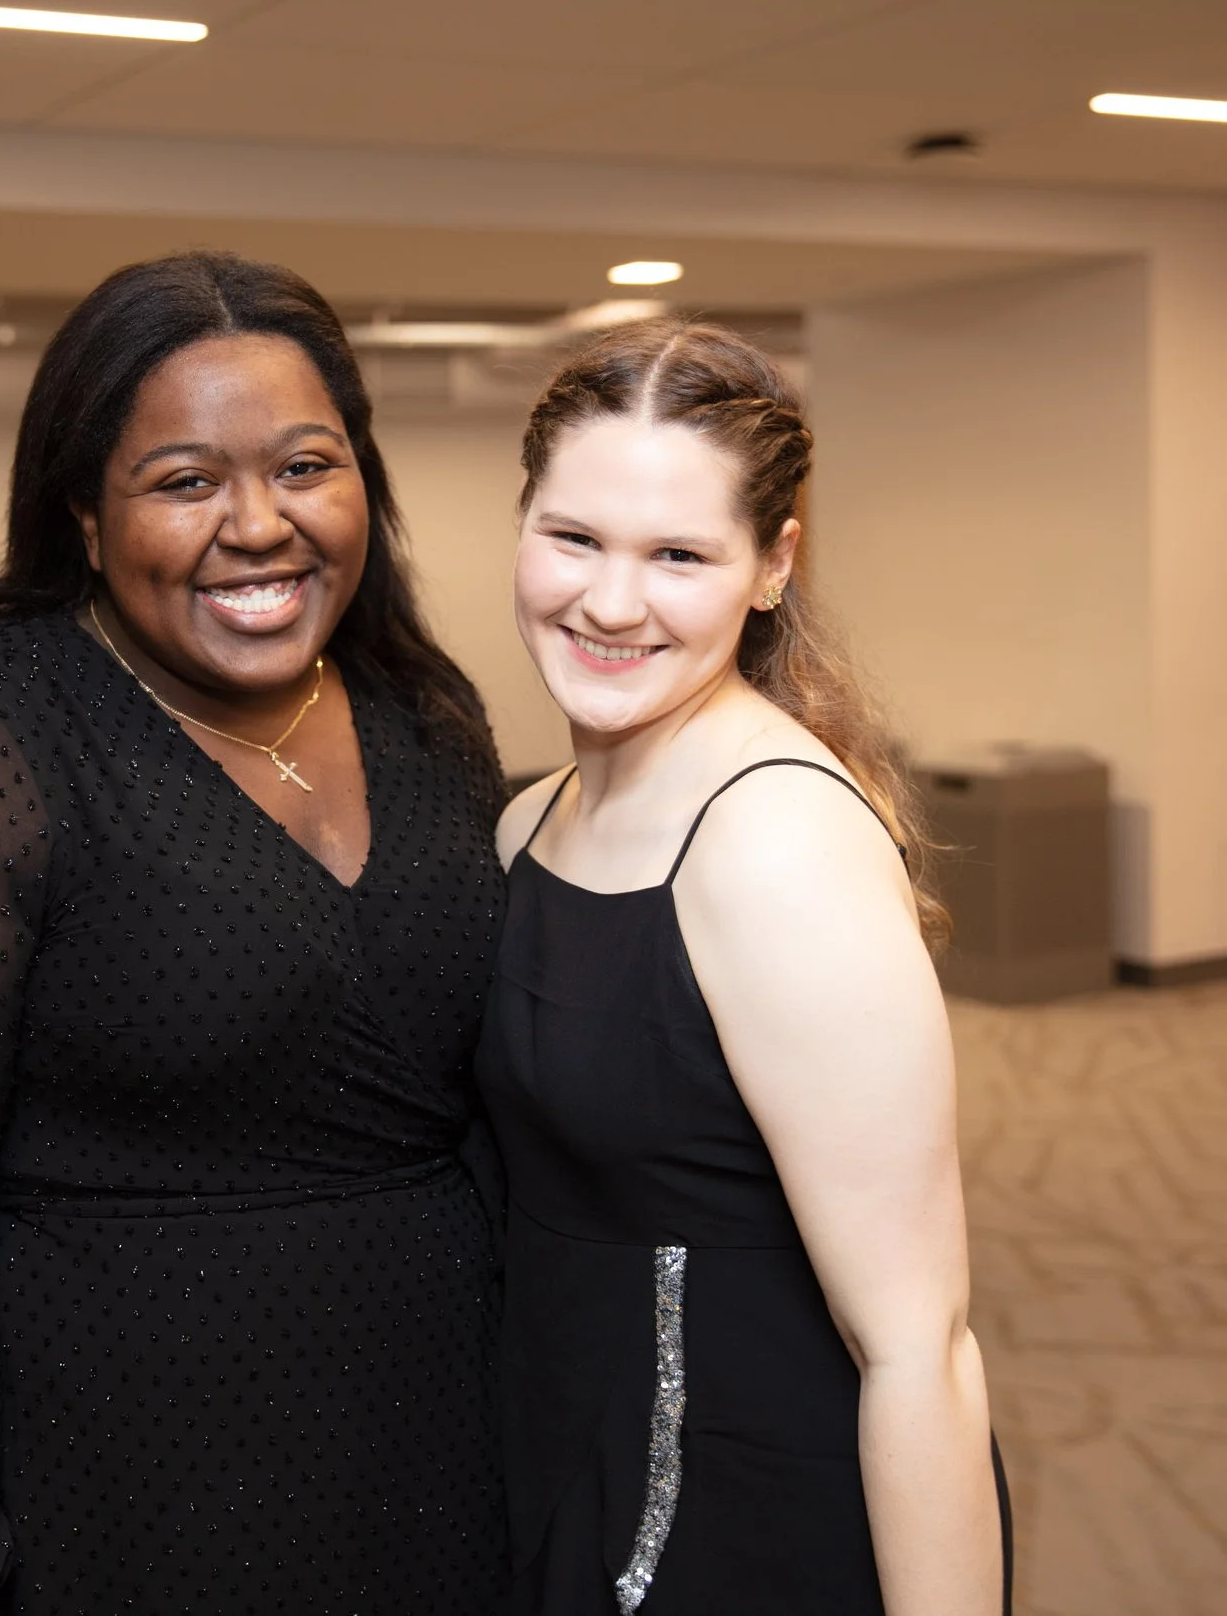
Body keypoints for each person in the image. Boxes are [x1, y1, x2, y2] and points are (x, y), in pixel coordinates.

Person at [0, 251, 512, 1616]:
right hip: (126, 1479)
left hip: (439, 1443)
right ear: (85, 516)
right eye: (186, 480)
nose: (259, 523)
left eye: (306, 467)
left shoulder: (427, 722)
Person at [477, 318, 1009, 1614]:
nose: (611, 601)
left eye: (678, 555)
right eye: (575, 538)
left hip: (741, 1523)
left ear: (771, 566)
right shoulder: (528, 819)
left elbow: (919, 1345)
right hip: (564, 1462)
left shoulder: (776, 845)